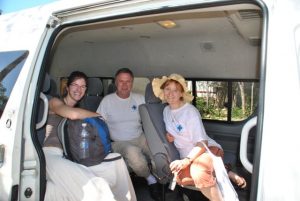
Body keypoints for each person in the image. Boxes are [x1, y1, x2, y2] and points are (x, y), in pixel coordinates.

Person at [43, 71, 136, 201]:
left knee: (117, 160)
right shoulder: (54, 102)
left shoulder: (81, 108)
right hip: (52, 155)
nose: (78, 89)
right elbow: (72, 114)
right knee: (95, 187)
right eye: (75, 85)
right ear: (67, 87)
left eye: (83, 86)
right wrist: (97, 115)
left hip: (73, 155)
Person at [152, 74, 246, 201]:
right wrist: (171, 137)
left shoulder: (190, 112)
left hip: (206, 150)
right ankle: (224, 171)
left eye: (175, 90)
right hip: (188, 156)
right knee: (180, 179)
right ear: (163, 91)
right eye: (168, 89)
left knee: (200, 174)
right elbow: (177, 129)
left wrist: (186, 160)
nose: (171, 93)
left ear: (181, 93)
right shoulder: (166, 111)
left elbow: (202, 142)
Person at [96, 68, 162, 201]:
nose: (125, 85)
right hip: (119, 142)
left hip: (139, 137)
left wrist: (150, 138)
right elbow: (98, 123)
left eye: (128, 81)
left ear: (132, 83)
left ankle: (161, 178)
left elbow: (150, 120)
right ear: (115, 82)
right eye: (121, 81)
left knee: (158, 150)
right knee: (133, 154)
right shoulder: (107, 101)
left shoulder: (139, 98)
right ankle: (150, 180)